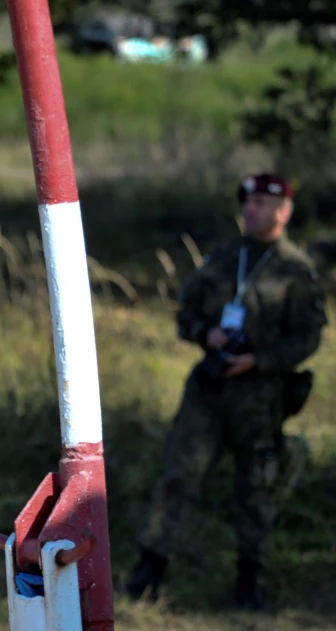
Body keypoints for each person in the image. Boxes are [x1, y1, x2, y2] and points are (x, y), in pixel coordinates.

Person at [126, 173, 326, 611]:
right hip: (210, 389)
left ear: (283, 212)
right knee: (180, 474)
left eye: (260, 203)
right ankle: (150, 568)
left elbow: (309, 338)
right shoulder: (222, 256)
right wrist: (206, 334)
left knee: (257, 487)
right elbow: (186, 311)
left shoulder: (296, 269)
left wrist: (260, 360)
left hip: (260, 396)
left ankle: (249, 581)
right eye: (247, 202)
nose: (250, 209)